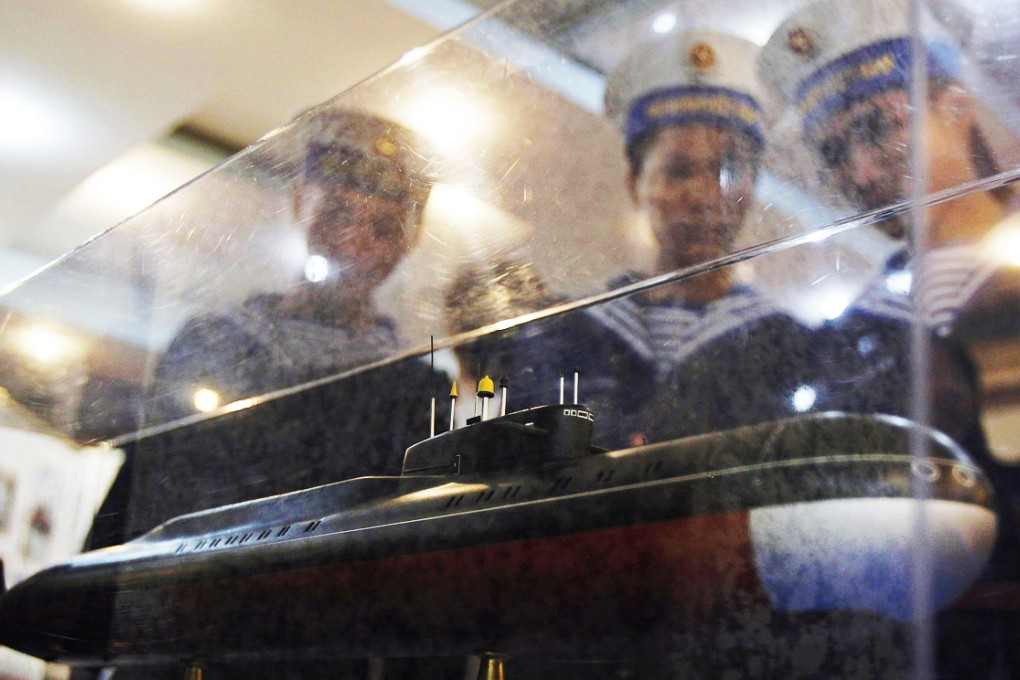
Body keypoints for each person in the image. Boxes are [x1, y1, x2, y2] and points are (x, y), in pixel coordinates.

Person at [759, 2, 1020, 676]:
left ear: (955, 106)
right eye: (836, 152)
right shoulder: (850, 340)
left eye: (878, 128)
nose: (863, 174)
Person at [591, 29, 818, 445]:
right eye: (677, 170)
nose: (703, 197)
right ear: (633, 183)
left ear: (752, 187)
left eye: (727, 171)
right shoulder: (579, 331)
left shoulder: (788, 347)